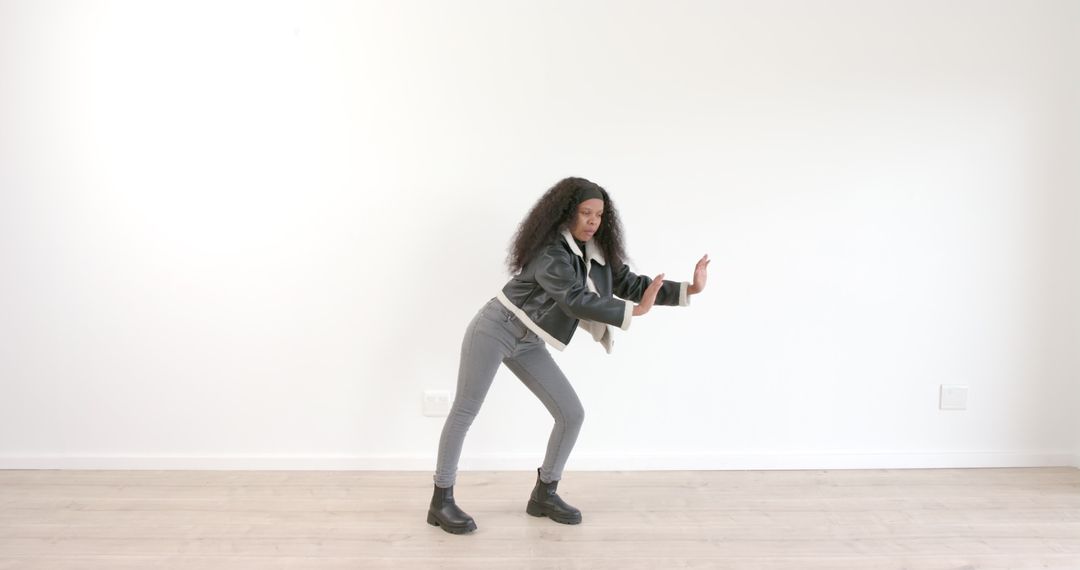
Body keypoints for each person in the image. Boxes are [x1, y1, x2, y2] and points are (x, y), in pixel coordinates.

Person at [427, 176, 710, 534]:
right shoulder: (551, 252)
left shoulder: (597, 253)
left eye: (599, 215)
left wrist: (689, 289)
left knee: (571, 414)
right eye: (586, 212)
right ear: (566, 214)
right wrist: (633, 312)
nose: (593, 221)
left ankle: (544, 494)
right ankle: (441, 501)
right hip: (495, 328)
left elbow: (631, 284)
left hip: (530, 340)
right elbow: (574, 298)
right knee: (466, 410)